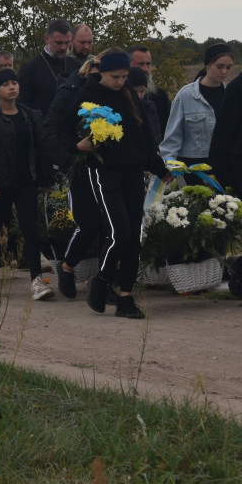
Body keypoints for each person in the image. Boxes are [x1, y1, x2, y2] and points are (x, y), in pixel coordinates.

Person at [59, 51, 171, 318]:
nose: (121, 81)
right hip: (104, 172)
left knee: (133, 237)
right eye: (115, 77)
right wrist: (78, 146)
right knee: (119, 233)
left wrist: (159, 168)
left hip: (133, 172)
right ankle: (101, 279)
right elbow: (62, 130)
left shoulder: (130, 94)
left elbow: (144, 134)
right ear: (102, 74)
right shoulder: (88, 95)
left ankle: (125, 298)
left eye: (124, 76)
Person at [0, 68, 54, 300]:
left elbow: (41, 149)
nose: (12, 87)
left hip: (26, 181)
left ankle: (36, 281)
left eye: (14, 82)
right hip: (0, 182)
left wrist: (45, 178)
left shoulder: (29, 115)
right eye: (5, 84)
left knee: (30, 229)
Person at [160, 43, 234, 166]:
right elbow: (172, 137)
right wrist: (168, 165)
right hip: (193, 169)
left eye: (229, 67)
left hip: (224, 165)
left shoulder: (232, 95)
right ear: (208, 64)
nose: (224, 72)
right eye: (220, 66)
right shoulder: (186, 95)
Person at [18, 19, 78, 114]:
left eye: (67, 43)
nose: (63, 47)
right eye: (59, 43)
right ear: (46, 38)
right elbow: (22, 106)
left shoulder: (76, 66)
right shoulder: (29, 69)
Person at [129, 45, 172, 130]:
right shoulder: (121, 96)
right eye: (141, 64)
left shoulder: (160, 96)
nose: (146, 69)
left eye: (148, 64)